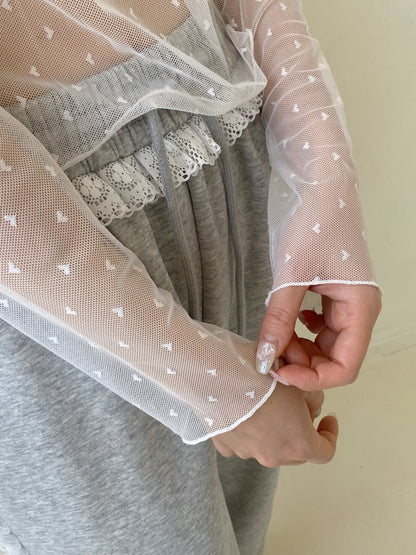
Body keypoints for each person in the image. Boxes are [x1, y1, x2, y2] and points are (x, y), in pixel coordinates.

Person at [0, 1, 381, 553]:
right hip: (51, 263)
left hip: (227, 149)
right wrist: (217, 387)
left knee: (244, 509)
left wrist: (324, 178)